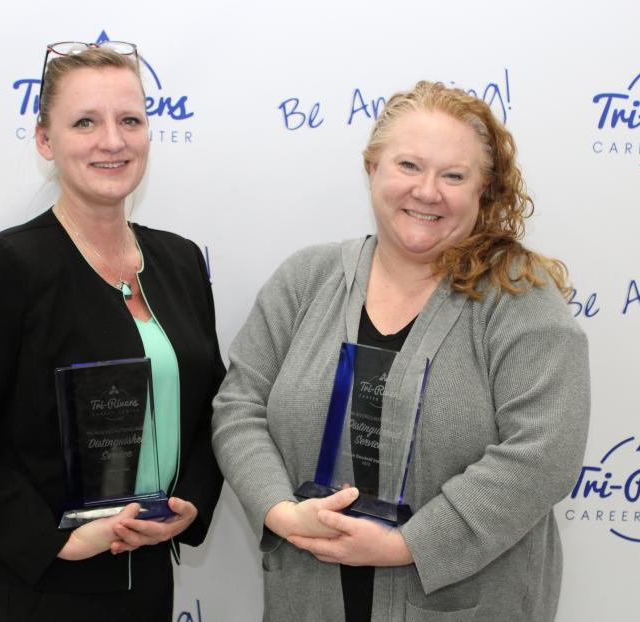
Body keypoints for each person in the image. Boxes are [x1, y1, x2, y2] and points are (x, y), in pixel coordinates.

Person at [211, 81, 589, 621]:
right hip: (308, 592)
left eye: (453, 175)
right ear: (373, 171)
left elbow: (544, 454)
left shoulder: (518, 297)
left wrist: (408, 545)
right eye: (408, 165)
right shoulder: (306, 278)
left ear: (483, 189)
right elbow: (238, 405)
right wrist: (279, 510)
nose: (427, 191)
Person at [0, 42, 224, 622]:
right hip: (36, 584)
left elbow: (214, 408)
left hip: (146, 572)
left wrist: (191, 504)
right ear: (45, 141)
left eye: (130, 120)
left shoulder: (179, 261)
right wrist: (56, 538)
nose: (113, 140)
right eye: (86, 122)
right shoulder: (7, 268)